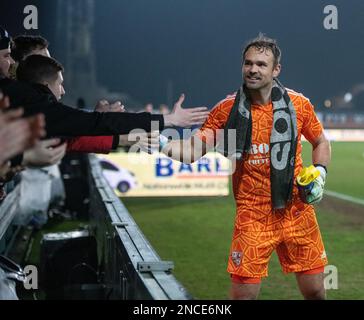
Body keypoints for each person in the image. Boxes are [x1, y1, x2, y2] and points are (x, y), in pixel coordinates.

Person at [159, 34, 331, 300]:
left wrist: (320, 173)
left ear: (276, 70)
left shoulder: (298, 104)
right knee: (244, 297)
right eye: (248, 63)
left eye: (262, 64)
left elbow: (320, 141)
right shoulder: (227, 110)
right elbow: (193, 150)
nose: (253, 69)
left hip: (297, 209)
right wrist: (161, 142)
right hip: (253, 215)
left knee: (316, 290)